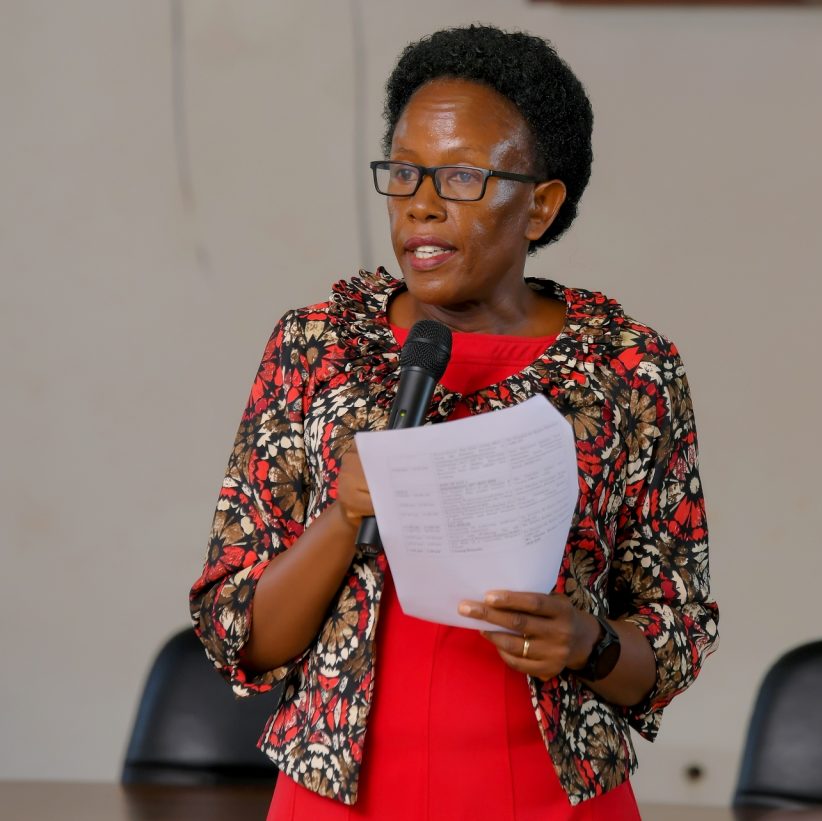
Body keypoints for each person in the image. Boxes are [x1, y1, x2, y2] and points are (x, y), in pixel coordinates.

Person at [190, 24, 719, 820]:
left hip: (548, 795)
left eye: (462, 176)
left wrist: (590, 642)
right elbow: (242, 632)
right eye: (404, 172)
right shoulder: (318, 347)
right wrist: (346, 513)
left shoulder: (628, 369)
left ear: (540, 204)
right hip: (340, 795)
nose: (422, 204)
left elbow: (676, 630)